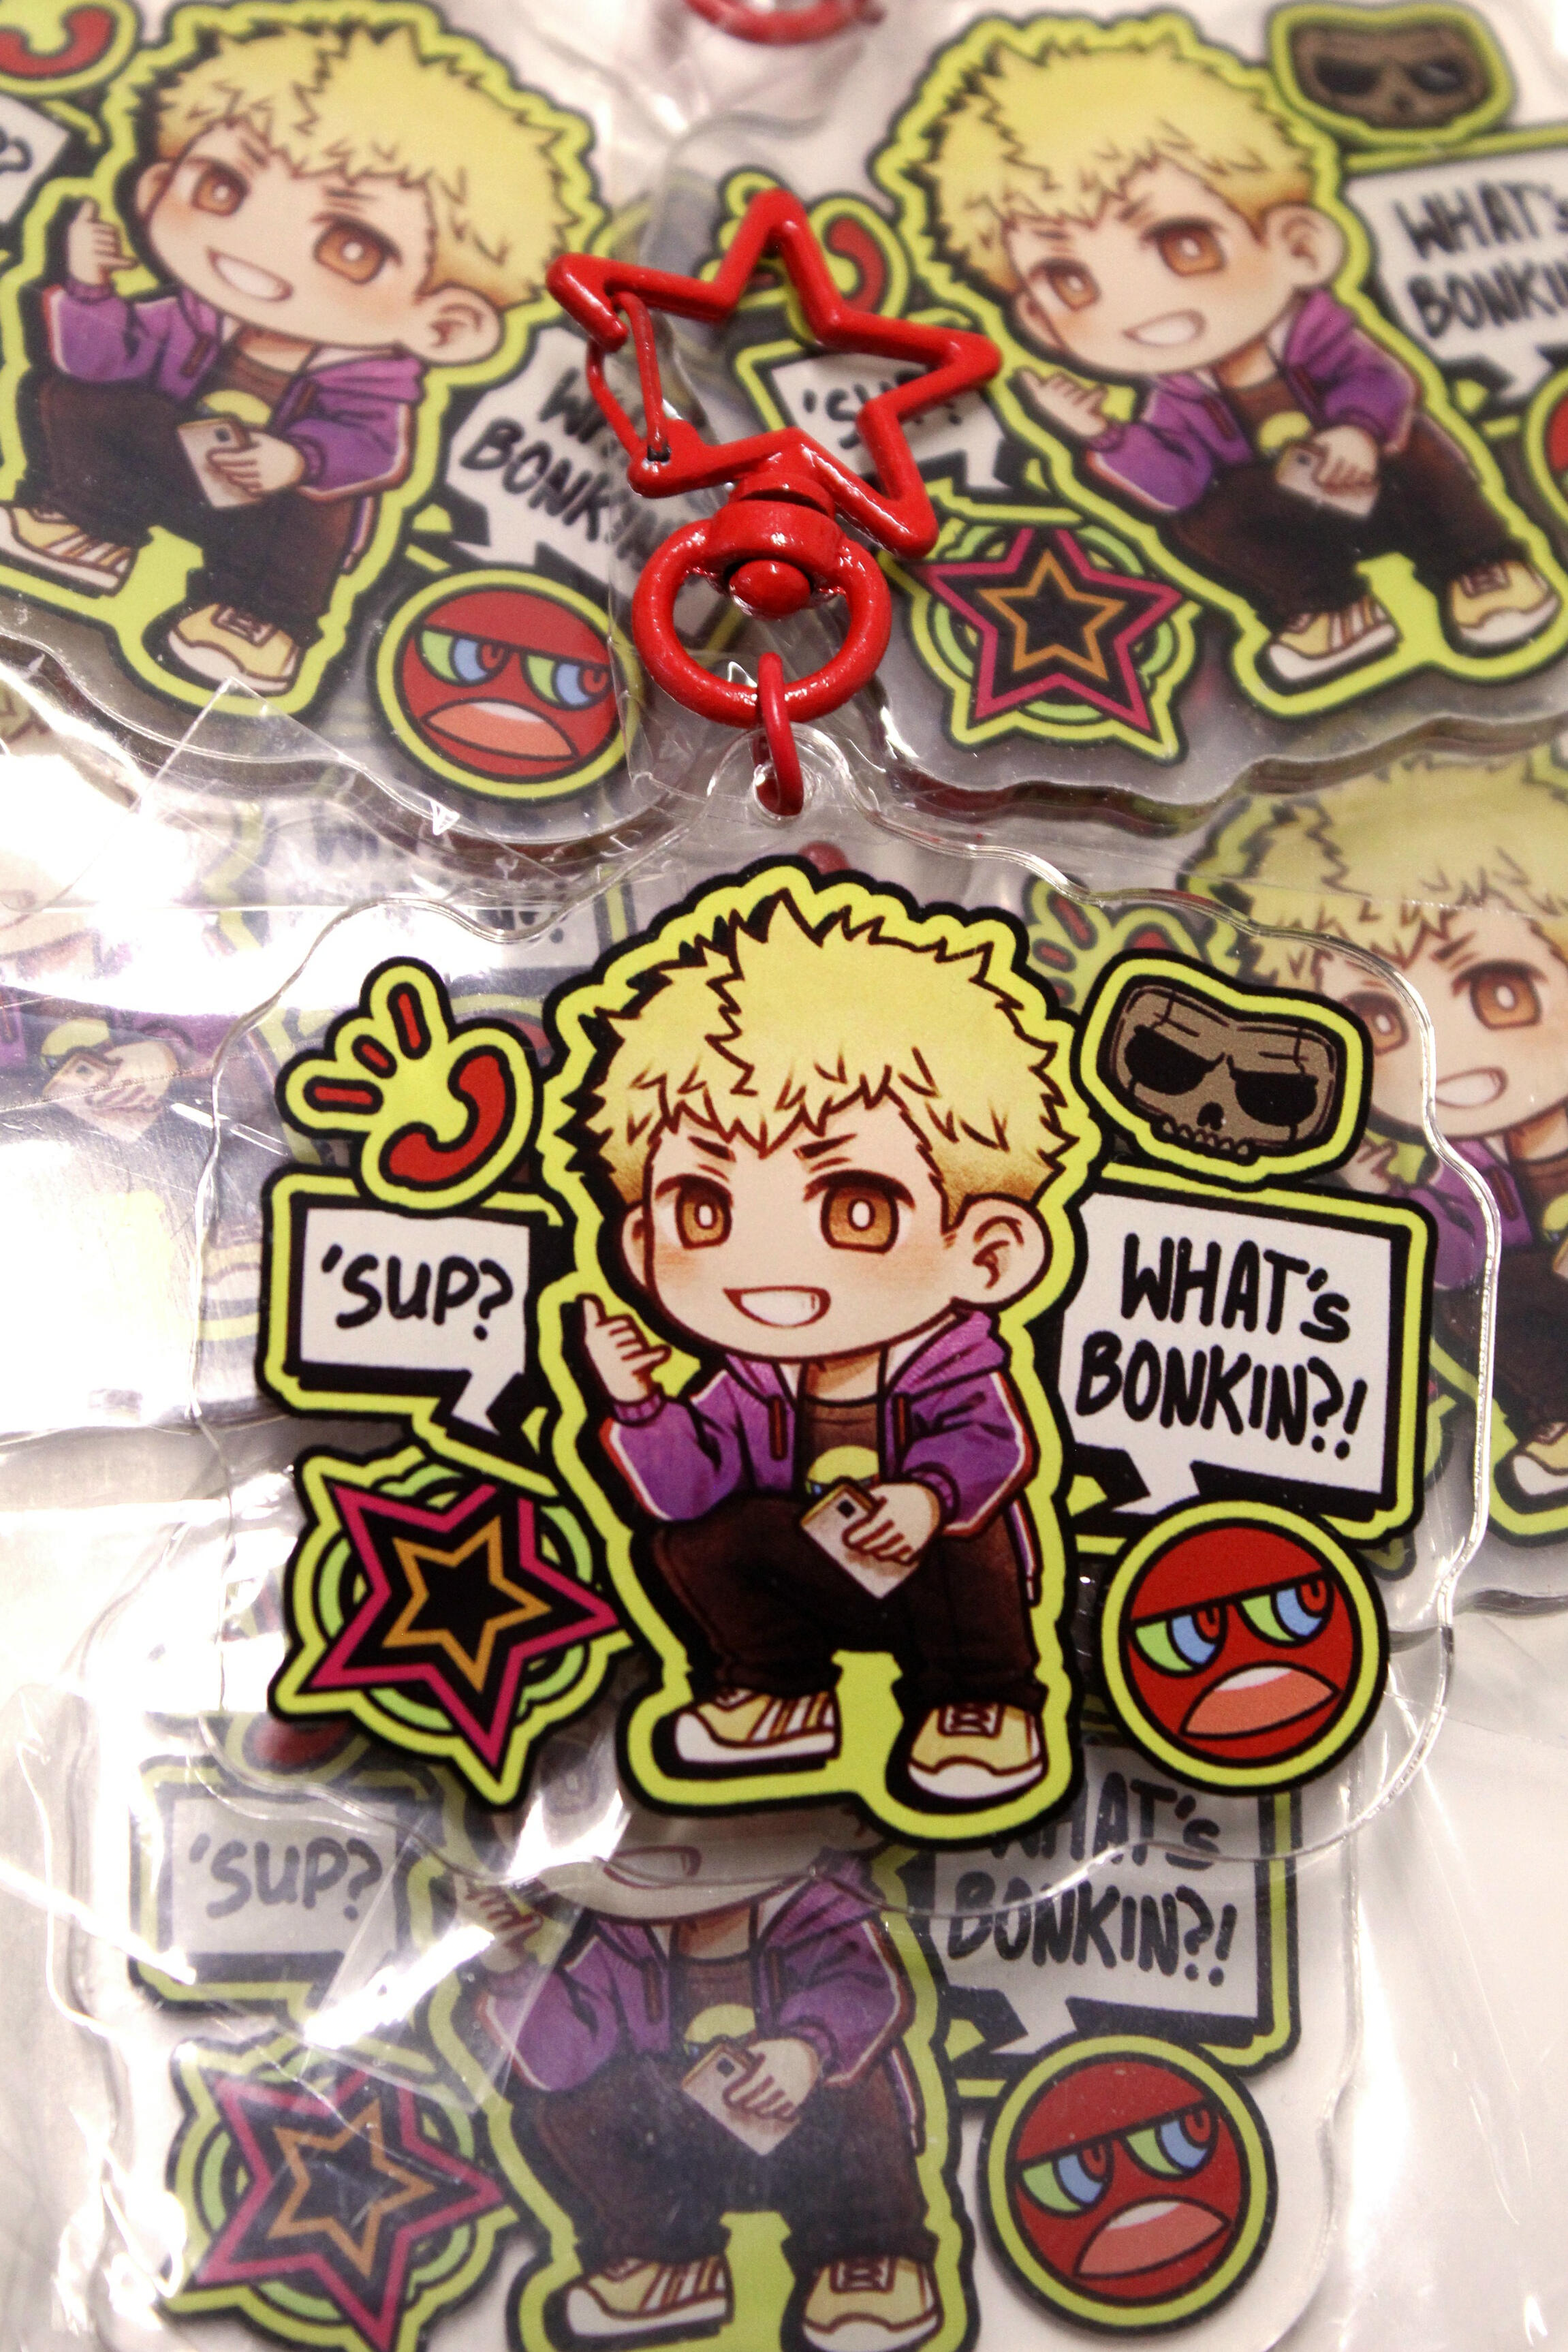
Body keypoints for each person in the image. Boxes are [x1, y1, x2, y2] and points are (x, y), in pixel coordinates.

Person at [560, 874, 1090, 1804]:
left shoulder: (953, 1363)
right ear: (640, 1245)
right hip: (820, 1582)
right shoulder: (749, 1380)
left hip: (939, 1589)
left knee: (970, 1539)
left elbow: (990, 1445)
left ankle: (983, 1700)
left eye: (855, 1209)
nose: (768, 1263)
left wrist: (926, 1498)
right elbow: (687, 1490)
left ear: (986, 1252)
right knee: (698, 1542)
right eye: (705, 1208)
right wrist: (637, 1404)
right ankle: (782, 1688)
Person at [910, 27, 1556, 686]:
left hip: (1385, 486)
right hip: (1298, 527)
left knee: (1418, 452)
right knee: (1207, 517)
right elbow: (1175, 486)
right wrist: (1102, 434)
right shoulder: (1177, 399)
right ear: (1039, 322)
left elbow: (1378, 381)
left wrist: (1359, 432)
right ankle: (1328, 607)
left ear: (1297, 246)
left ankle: (1482, 564)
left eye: (1184, 245)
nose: (1136, 305)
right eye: (1069, 281)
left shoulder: (1325, 335)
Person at [0, 10, 571, 692]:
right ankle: (88, 524)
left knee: (321, 507)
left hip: (271, 527)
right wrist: (90, 288)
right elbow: (98, 364)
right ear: (157, 189)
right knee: (85, 399)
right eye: (222, 188)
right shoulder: (187, 315)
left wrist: (299, 458)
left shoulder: (373, 380)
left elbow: (373, 449)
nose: (254, 245)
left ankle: (259, 618)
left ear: (443, 324)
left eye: (351, 247)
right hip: (163, 477)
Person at [1185, 753, 1568, 1511]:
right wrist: (1376, 1190)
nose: (1450, 1057)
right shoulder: (1468, 1164)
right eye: (1381, 1020)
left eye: (1500, 991)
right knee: (1483, 1299)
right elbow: (1449, 1256)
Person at [475, 1815, 945, 2351]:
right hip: (688, 2152)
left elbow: (868, 1986)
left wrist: (807, 2049)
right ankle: (669, 2258)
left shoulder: (819, 1906)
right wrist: (512, 1966)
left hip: (818, 2137)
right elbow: (562, 2062)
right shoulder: (624, 1935)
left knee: (859, 2085)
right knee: (569, 2108)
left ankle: (868, 2255)